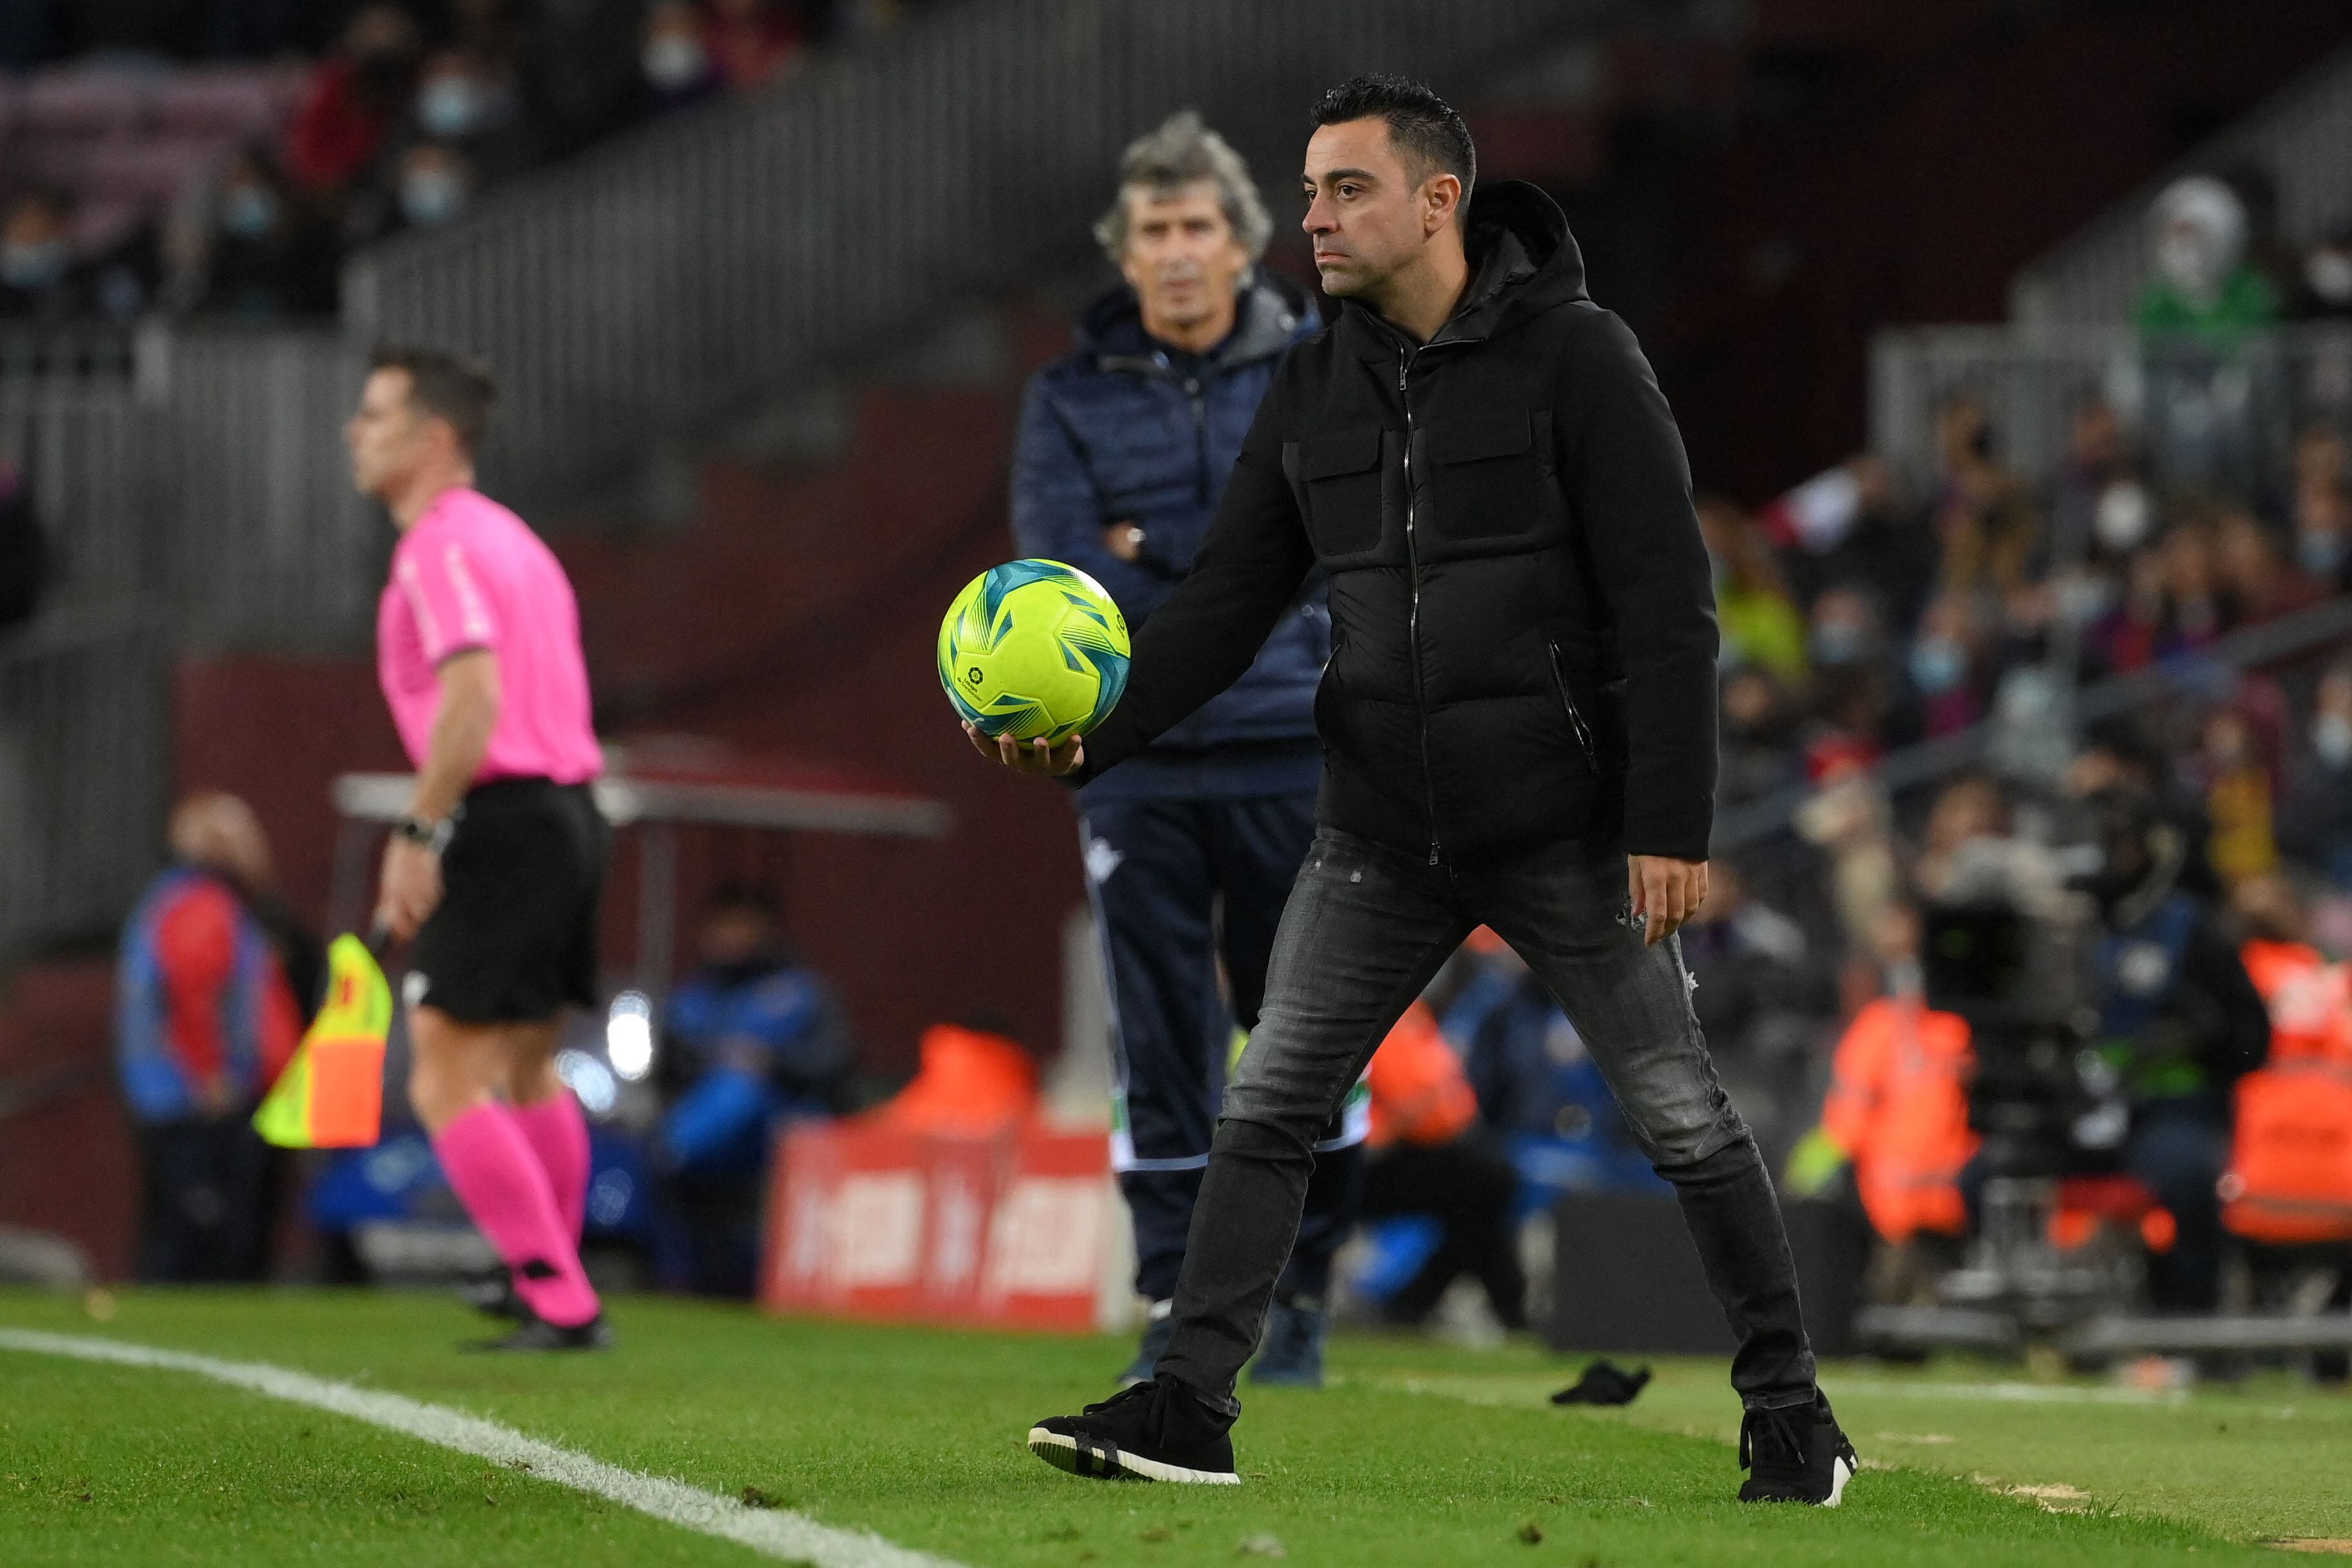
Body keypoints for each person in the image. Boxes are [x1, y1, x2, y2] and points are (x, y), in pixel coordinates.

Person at [985, 75, 1856, 1503]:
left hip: (1569, 831)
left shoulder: (1582, 357)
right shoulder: (1311, 383)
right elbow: (1225, 604)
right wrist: (1094, 738)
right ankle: (1189, 1405)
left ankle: (1791, 1412)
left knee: (1682, 1118)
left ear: (1439, 201)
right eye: (1311, 193)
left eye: (1348, 190)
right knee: (1268, 1103)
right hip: (1379, 829)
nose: (1315, 221)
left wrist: (1668, 822)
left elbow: (1668, 608)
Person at [1012, 109, 1360, 1388]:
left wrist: (1150, 551)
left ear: (1241, 244)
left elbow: (1337, 544)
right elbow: (1056, 574)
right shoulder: (1066, 395)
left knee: (1304, 1030)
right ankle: (1171, 1291)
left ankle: (1300, 1291)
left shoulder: (1323, 364)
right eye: (1153, 229)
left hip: (1292, 743)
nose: (1174, 250)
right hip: (1133, 753)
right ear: (1126, 253)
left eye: (1196, 226)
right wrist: (1239, 561)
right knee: (1156, 1036)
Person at [347, 345, 613, 1350]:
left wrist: (418, 830)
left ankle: (558, 1295)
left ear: (435, 437)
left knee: (443, 1073)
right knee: (529, 1065)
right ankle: (543, 1272)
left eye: (375, 415)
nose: (354, 433)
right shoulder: (517, 540)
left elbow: (474, 698)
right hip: (573, 812)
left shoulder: (437, 546)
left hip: (503, 821)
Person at [116, 795, 306, 1282]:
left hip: (181, 1095)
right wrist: (211, 1075)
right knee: (204, 1229)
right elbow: (195, 993)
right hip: (196, 1099)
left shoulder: (186, 899)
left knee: (188, 1221)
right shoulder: (201, 903)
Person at [657, 885, 851, 1296]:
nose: (732, 936)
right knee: (725, 1091)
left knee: (740, 1092)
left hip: (787, 1119)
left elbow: (834, 1064)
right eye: (723, 926)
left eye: (743, 926)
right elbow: (667, 1073)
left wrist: (772, 1064)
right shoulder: (690, 1001)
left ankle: (674, 1149)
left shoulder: (801, 994)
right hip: (711, 1133)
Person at [1355, 999, 1525, 1332]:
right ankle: (1508, 1310)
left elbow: (1453, 1101)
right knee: (1488, 1189)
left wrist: (1436, 1103)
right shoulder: (1378, 1016)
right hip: (1372, 1157)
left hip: (1421, 1149)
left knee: (1480, 1207)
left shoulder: (1414, 1014)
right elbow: (1413, 1104)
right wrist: (1434, 1103)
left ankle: (1412, 1306)